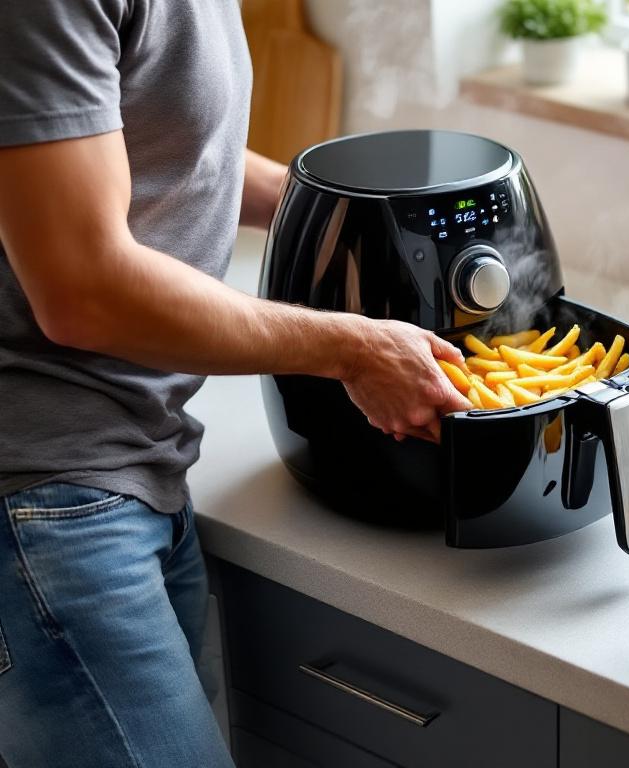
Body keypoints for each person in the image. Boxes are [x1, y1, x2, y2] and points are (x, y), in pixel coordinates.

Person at [0, 3, 471, 766]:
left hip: (138, 465)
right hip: (44, 500)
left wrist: (340, 209)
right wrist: (352, 350)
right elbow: (82, 288)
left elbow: (168, 142)